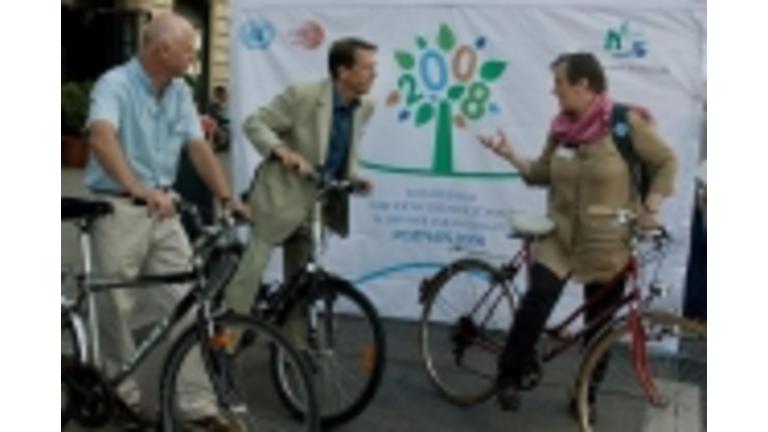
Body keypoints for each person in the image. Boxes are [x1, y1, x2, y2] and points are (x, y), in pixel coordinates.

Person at [478, 52, 677, 414]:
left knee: (599, 324)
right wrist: (510, 155)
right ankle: (508, 375)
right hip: (560, 235)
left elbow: (666, 161)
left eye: (559, 83)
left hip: (608, 242)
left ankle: (585, 396)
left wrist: (652, 204)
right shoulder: (560, 129)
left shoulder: (625, 124)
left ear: (583, 85)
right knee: (539, 297)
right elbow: (540, 173)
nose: (554, 91)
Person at [85, 12, 247, 431]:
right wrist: (137, 188)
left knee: (188, 303)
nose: (194, 57)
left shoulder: (179, 92)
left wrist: (226, 197)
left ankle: (196, 405)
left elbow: (197, 147)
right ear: (162, 50)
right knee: (113, 309)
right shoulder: (115, 84)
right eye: (189, 50)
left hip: (165, 209)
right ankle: (122, 398)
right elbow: (101, 136)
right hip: (119, 208)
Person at [223, 37, 377, 320]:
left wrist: (354, 177)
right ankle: (227, 330)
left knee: (301, 285)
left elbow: (342, 150)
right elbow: (255, 124)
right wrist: (283, 152)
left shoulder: (365, 106)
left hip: (316, 206)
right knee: (253, 268)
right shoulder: (304, 96)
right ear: (343, 72)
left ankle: (292, 345)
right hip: (279, 197)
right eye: (367, 68)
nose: (374, 74)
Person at [206, 85, 231, 151]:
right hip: (218, 128)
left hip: (221, 128)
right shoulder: (214, 105)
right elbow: (215, 119)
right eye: (224, 94)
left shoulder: (222, 105)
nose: (226, 96)